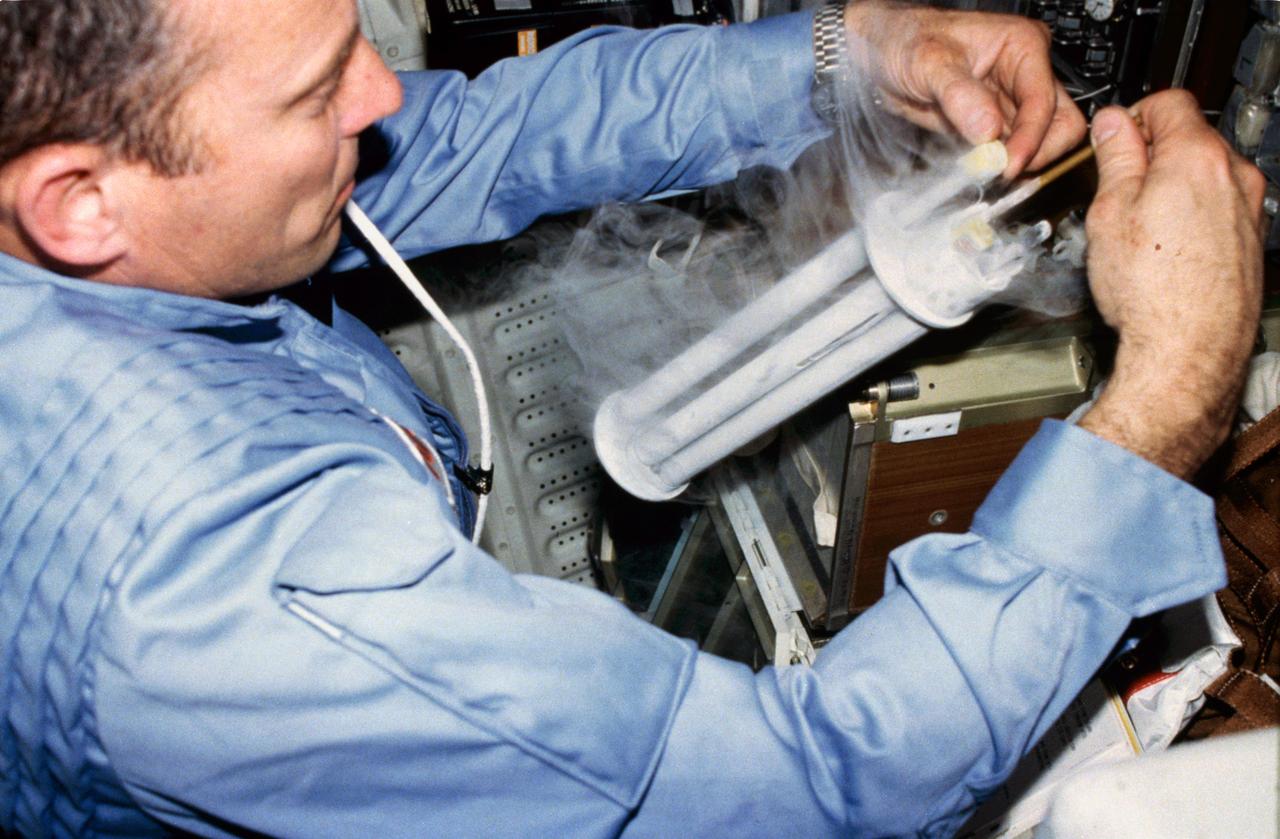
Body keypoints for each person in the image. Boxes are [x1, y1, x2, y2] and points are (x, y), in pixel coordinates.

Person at [0, 0, 1262, 836]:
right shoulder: (231, 588)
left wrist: (849, 50)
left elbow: (466, 136)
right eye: (312, 92)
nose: (379, 94)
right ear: (81, 207)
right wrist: (1164, 389)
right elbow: (820, 787)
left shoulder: (113, 193)